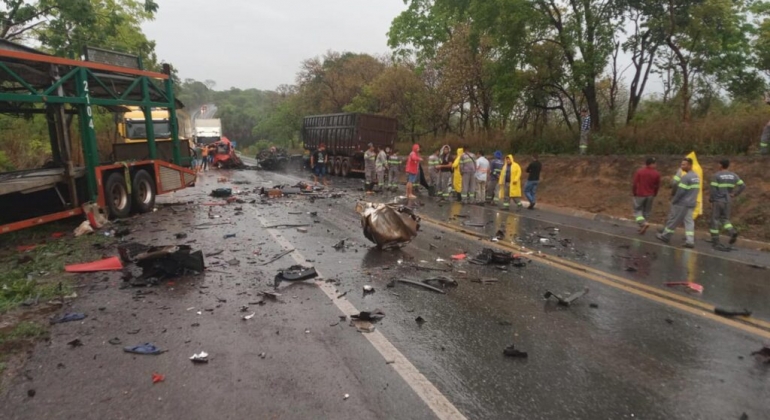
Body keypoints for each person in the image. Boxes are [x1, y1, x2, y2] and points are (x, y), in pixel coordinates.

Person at [657, 158, 701, 248]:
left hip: (683, 203)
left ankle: (665, 236)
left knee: (674, 219)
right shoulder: (696, 177)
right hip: (691, 202)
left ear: (690, 165)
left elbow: (680, 192)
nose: (682, 167)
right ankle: (690, 241)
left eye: (684, 165)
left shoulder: (685, 177)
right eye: (681, 164)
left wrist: (674, 201)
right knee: (689, 222)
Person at [709, 159, 746, 249]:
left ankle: (716, 241)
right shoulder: (734, 175)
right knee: (725, 219)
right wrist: (735, 194)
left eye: (718, 164)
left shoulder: (716, 175)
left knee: (715, 220)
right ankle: (732, 231)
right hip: (728, 200)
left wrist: (712, 200)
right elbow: (743, 185)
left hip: (718, 200)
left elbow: (713, 190)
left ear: (721, 165)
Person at [632, 157, 661, 234]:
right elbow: (657, 185)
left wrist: (634, 192)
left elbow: (635, 183)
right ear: (651, 164)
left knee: (637, 210)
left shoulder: (640, 172)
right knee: (647, 212)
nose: (656, 165)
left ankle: (643, 224)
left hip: (640, 194)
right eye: (654, 163)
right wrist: (655, 193)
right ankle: (643, 226)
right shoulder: (657, 174)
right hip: (650, 195)